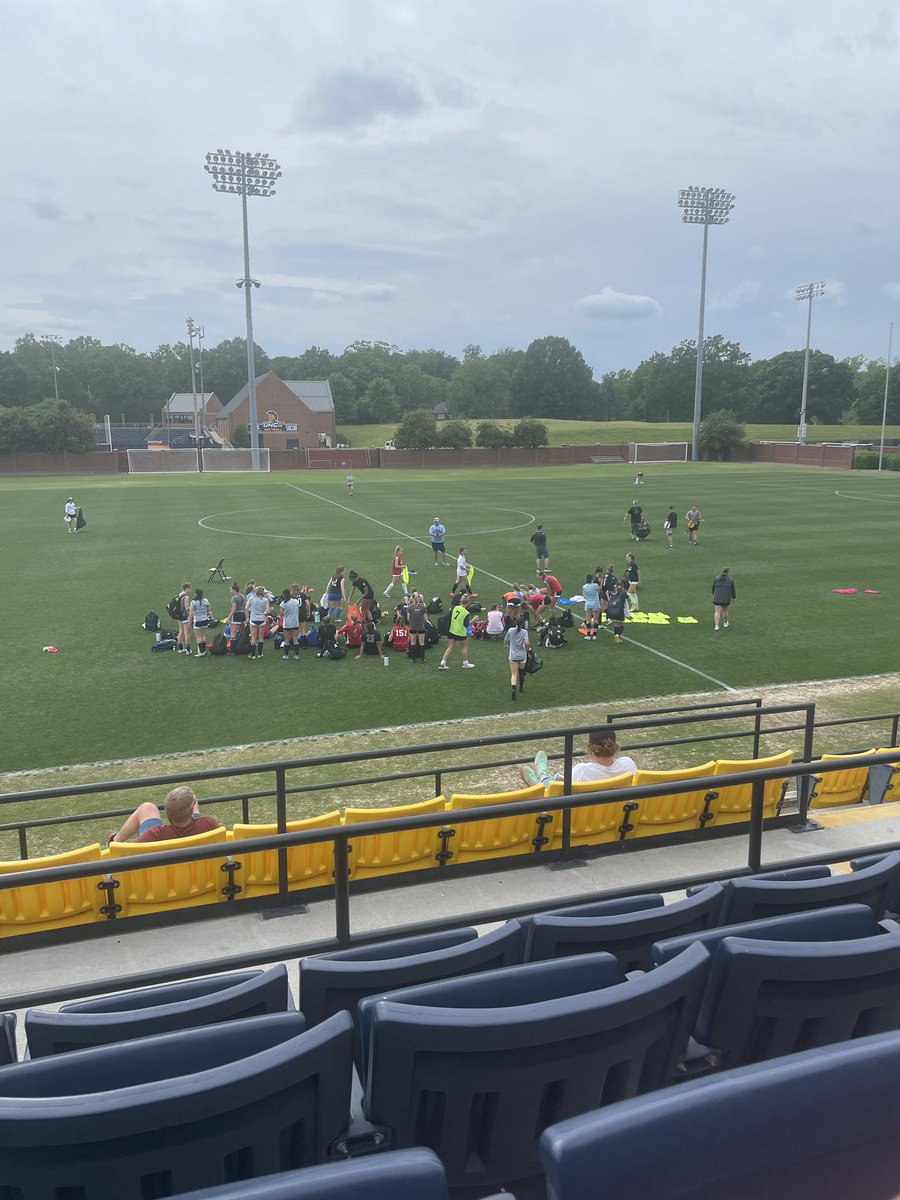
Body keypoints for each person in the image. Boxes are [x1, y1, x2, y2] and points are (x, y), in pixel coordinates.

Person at [520, 727, 638, 788]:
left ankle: (541, 777)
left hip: (586, 823)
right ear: (615, 746)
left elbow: (560, 794)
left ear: (590, 749)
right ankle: (543, 775)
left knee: (556, 785)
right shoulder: (628, 764)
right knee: (560, 780)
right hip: (618, 822)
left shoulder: (582, 770)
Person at [110, 786, 220, 844]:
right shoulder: (207, 823)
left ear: (167, 813)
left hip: (163, 884)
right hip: (201, 882)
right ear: (192, 812)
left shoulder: (155, 834)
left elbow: (130, 853)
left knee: (147, 807)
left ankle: (114, 842)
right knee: (190, 798)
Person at [439, 600, 476, 669]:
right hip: (460, 632)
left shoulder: (455, 608)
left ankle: (443, 662)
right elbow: (466, 625)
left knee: (450, 647)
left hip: (452, 630)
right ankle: (465, 663)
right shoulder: (466, 613)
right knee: (464, 647)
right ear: (468, 603)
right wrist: (473, 620)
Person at [504, 614, 530, 701]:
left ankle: (513, 689)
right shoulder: (524, 632)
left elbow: (506, 640)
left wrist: (506, 646)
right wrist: (528, 649)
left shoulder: (510, 630)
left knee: (514, 674)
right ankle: (521, 688)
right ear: (522, 624)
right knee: (522, 672)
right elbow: (526, 643)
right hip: (522, 656)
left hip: (513, 656)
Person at [247, 584, 270, 660]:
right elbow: (267, 611)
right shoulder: (265, 600)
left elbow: (246, 607)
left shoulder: (251, 598)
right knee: (261, 638)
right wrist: (262, 614)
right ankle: (260, 654)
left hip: (253, 619)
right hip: (261, 620)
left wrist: (247, 617)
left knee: (253, 638)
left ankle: (253, 655)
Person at [189, 588, 213, 657]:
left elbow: (191, 613)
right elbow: (208, 610)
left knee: (198, 637)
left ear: (196, 594)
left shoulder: (193, 602)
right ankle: (204, 650)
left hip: (197, 621)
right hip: (205, 620)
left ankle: (201, 652)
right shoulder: (205, 600)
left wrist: (189, 622)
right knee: (203, 635)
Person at [406, 589, 428, 663]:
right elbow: (426, 618)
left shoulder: (409, 607)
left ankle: (413, 658)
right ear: (419, 598)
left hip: (412, 627)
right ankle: (422, 659)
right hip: (421, 626)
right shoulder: (422, 607)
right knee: (422, 643)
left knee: (413, 643)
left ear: (412, 598)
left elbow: (408, 619)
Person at [280, 585, 301, 660]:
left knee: (287, 639)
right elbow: (298, 612)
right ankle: (297, 655)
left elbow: (281, 614)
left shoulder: (283, 603)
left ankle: (286, 655)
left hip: (287, 623)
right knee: (295, 638)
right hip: (295, 623)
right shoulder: (295, 602)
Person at [226, 581, 245, 654]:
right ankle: (245, 644)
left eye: (231, 589)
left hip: (236, 615)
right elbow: (244, 606)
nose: (230, 591)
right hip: (242, 614)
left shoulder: (234, 598)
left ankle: (232, 651)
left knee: (232, 634)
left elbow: (234, 609)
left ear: (234, 590)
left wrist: (228, 617)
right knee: (244, 630)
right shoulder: (242, 596)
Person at [581, 572, 601, 640]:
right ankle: (595, 636)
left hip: (588, 604)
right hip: (595, 603)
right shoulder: (595, 585)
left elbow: (584, 595)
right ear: (592, 579)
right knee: (595, 620)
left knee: (588, 620)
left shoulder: (584, 586)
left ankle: (588, 636)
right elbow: (598, 592)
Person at [175, 582, 192, 655]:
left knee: (180, 632)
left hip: (179, 616)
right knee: (187, 633)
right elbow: (187, 608)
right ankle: (188, 650)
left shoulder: (180, 594)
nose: (190, 590)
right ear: (187, 588)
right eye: (190, 588)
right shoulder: (186, 597)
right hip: (184, 616)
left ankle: (180, 648)